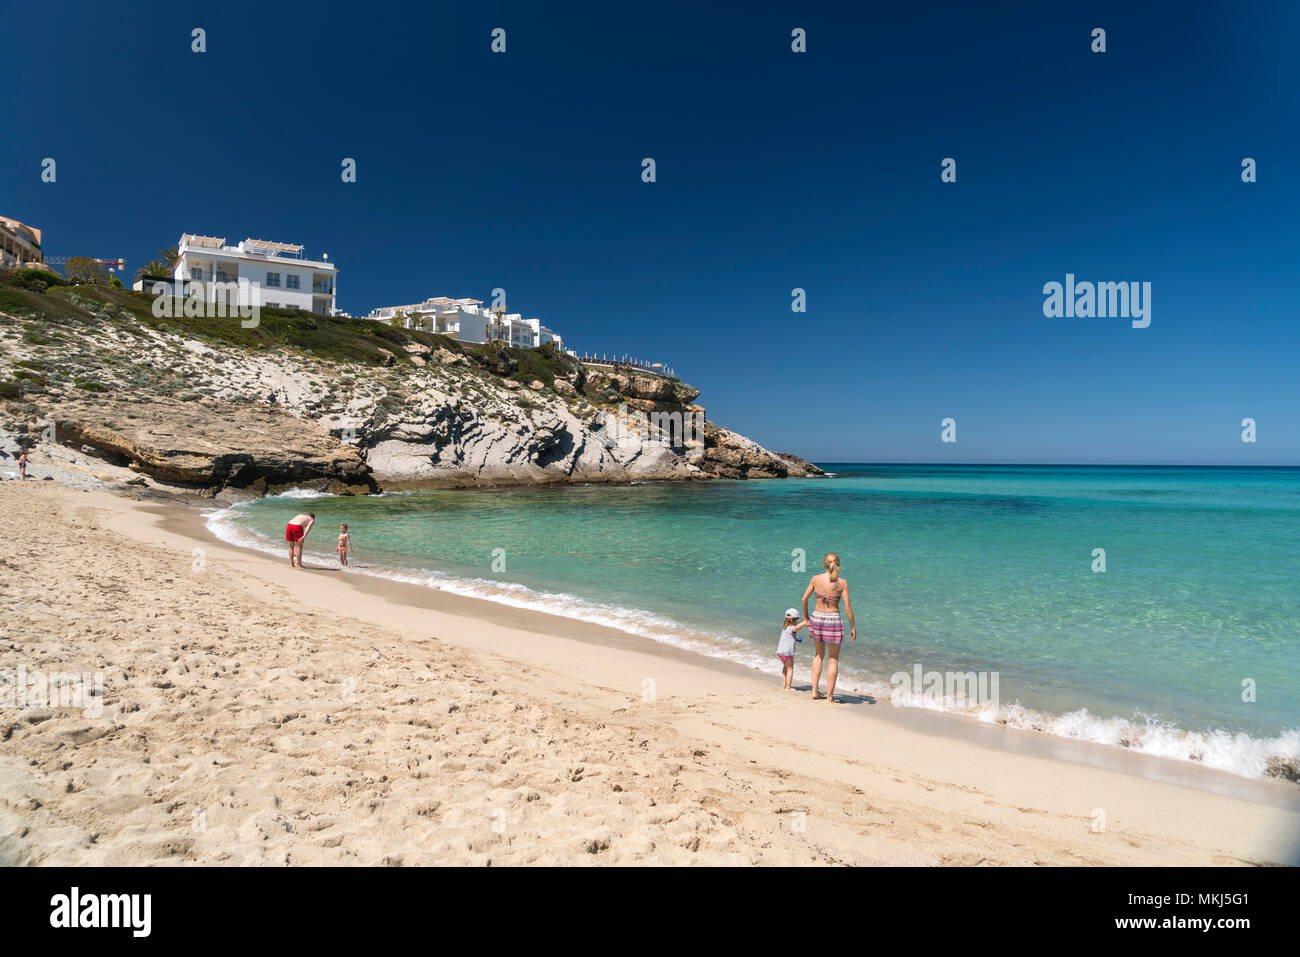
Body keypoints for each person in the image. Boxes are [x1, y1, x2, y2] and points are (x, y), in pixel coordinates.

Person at [801, 552, 856, 703]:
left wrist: (806, 616)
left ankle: (814, 691)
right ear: (838, 564)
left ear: (823, 564)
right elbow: (848, 609)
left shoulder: (815, 579)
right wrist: (853, 626)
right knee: (833, 660)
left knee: (818, 655)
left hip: (817, 617)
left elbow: (804, 599)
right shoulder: (842, 583)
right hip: (833, 619)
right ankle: (829, 697)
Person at [776, 608, 807, 691]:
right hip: (788, 653)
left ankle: (784, 683)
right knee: (790, 669)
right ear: (795, 620)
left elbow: (789, 634)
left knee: (785, 666)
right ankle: (788, 687)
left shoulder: (785, 627)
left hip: (780, 652)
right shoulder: (793, 628)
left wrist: (796, 638)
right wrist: (804, 623)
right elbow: (795, 629)